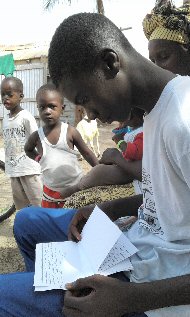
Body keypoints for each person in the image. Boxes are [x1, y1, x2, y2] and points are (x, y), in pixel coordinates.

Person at [1, 11, 190, 317]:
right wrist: (109, 210)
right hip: (134, 247)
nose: (89, 115)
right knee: (25, 222)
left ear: (110, 63)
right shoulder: (154, 112)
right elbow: (172, 202)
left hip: (151, 290)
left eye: (86, 99)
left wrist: (129, 300)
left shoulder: (183, 118)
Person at [25, 83, 99, 208]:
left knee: (77, 218)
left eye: (52, 107)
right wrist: (39, 158)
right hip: (51, 191)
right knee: (52, 220)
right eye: (42, 107)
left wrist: (100, 169)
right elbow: (27, 149)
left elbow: (87, 152)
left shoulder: (70, 131)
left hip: (75, 187)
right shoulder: (37, 136)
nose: (47, 111)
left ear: (62, 108)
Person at [62, 106, 144, 201]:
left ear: (129, 116)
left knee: (99, 172)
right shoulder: (133, 128)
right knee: (100, 169)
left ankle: (74, 188)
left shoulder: (142, 132)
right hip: (126, 165)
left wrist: (120, 141)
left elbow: (134, 152)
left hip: (130, 171)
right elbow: (120, 132)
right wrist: (122, 127)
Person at [1, 76, 42, 210]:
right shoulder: (5, 119)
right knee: (21, 206)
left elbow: (37, 139)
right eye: (2, 95)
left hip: (29, 169)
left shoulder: (26, 117)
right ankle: (27, 226)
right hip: (13, 170)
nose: (5, 98)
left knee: (38, 202)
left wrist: (43, 159)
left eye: (9, 94)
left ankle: (42, 227)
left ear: (21, 96)